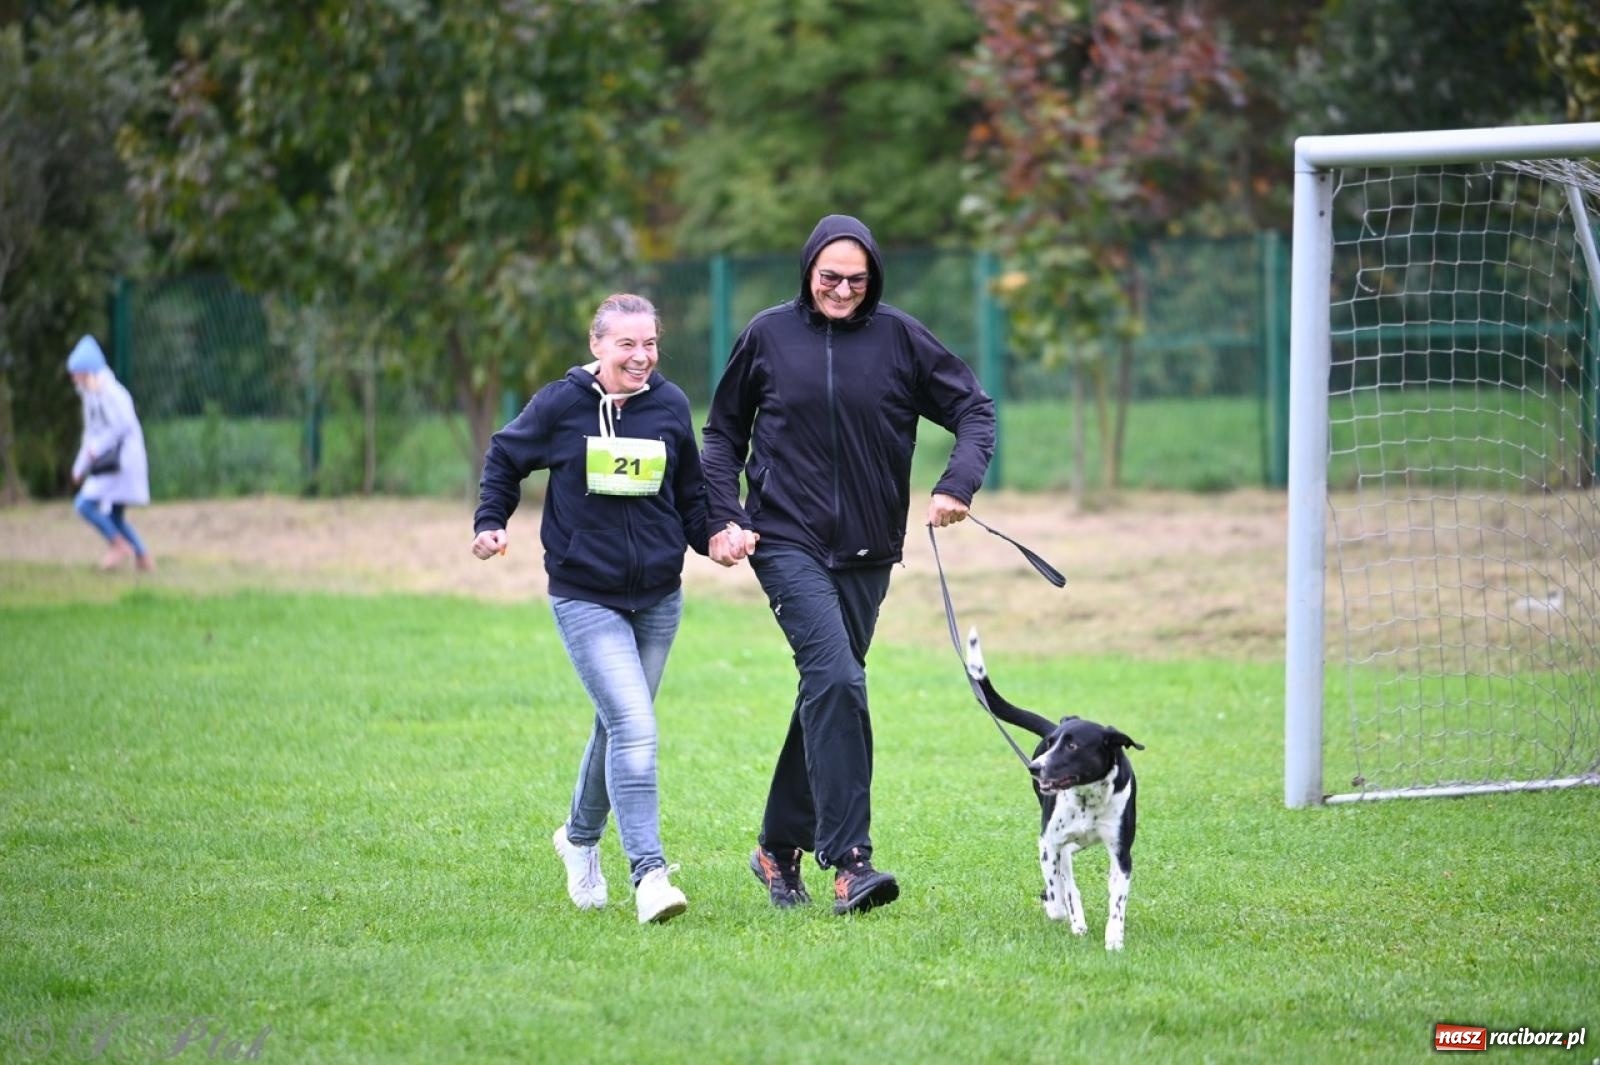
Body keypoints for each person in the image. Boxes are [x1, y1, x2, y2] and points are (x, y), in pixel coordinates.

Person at [702, 214, 997, 915]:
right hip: (784, 537)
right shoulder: (768, 336)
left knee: (826, 691)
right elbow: (720, 434)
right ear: (808, 270)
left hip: (870, 548)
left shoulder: (899, 338)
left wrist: (958, 482)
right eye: (829, 276)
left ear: (874, 280)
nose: (841, 289)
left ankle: (776, 848)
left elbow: (974, 409)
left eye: (856, 280)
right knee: (836, 677)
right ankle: (849, 862)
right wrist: (725, 515)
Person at [472, 293, 727, 925]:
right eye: (626, 345)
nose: (640, 357)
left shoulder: (668, 405)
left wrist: (719, 535)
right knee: (636, 730)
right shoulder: (561, 405)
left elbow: (691, 495)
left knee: (616, 725)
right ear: (597, 346)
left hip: (660, 599)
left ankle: (578, 840)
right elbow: (506, 456)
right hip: (585, 595)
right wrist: (491, 522)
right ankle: (650, 875)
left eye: (650, 345)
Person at [67, 335, 155, 572]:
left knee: (84, 505)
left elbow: (121, 426)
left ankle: (118, 545)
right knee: (115, 516)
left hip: (122, 463)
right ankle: (144, 558)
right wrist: (79, 466)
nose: (74, 378)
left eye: (76, 372)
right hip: (110, 462)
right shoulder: (90, 394)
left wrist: (96, 450)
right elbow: (90, 433)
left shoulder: (112, 393)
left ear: (87, 371)